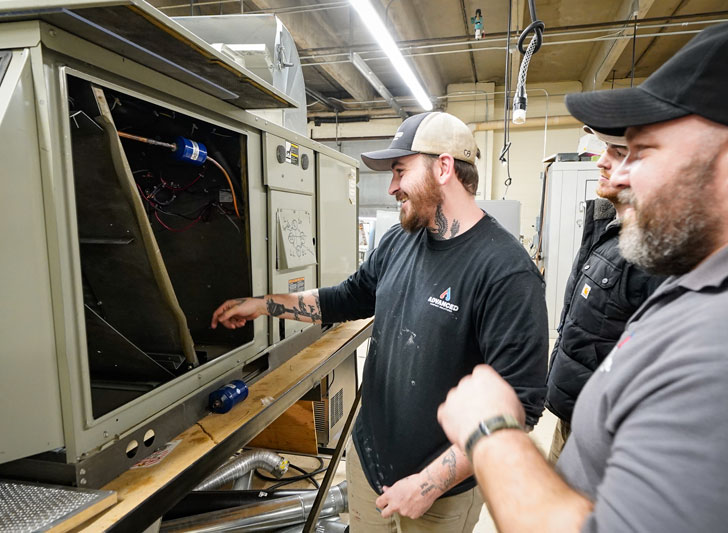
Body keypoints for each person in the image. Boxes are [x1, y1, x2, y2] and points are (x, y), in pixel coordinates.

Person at [436, 23, 728, 533]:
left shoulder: (716, 345)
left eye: (643, 152)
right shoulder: (692, 281)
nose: (615, 177)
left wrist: (492, 432)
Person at [212, 111, 548, 532]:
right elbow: (348, 298)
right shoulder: (399, 240)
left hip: (439, 495)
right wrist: (265, 305)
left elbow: (520, 407)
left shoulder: (505, 271)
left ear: (444, 167)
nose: (391, 188)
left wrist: (427, 484)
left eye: (400, 171)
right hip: (369, 463)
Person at [545, 128, 666, 463]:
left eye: (616, 152)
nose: (601, 162)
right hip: (573, 416)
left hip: (604, 438)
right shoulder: (610, 231)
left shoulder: (654, 254)